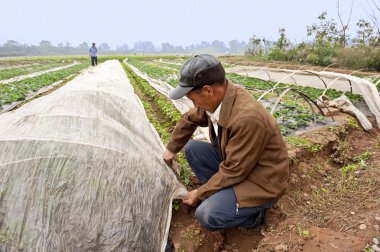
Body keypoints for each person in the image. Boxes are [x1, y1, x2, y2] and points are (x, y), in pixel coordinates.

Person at [163, 54, 289, 231]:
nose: (194, 104)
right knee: (193, 149)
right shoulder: (219, 99)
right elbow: (189, 119)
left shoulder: (247, 118)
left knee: (207, 214)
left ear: (208, 90)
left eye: (192, 99)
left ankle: (253, 217)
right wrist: (170, 151)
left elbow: (234, 170)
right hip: (240, 165)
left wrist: (199, 193)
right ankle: (222, 194)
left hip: (261, 180)